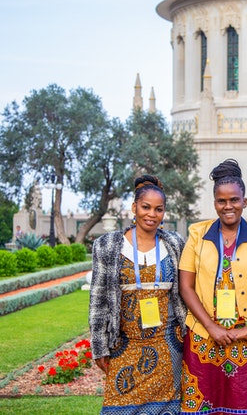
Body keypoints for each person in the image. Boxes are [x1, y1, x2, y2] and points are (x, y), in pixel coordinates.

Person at [179, 159, 247, 415]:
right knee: (203, 403)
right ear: (214, 203)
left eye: (234, 200)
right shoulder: (196, 235)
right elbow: (186, 286)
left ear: (245, 201)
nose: (228, 206)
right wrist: (210, 327)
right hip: (205, 335)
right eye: (222, 201)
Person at [89, 175, 187, 415]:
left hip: (168, 347)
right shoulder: (108, 245)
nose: (151, 214)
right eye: (146, 207)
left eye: (158, 209)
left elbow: (185, 292)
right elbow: (98, 299)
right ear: (134, 208)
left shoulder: (174, 243)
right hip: (125, 345)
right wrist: (99, 346)